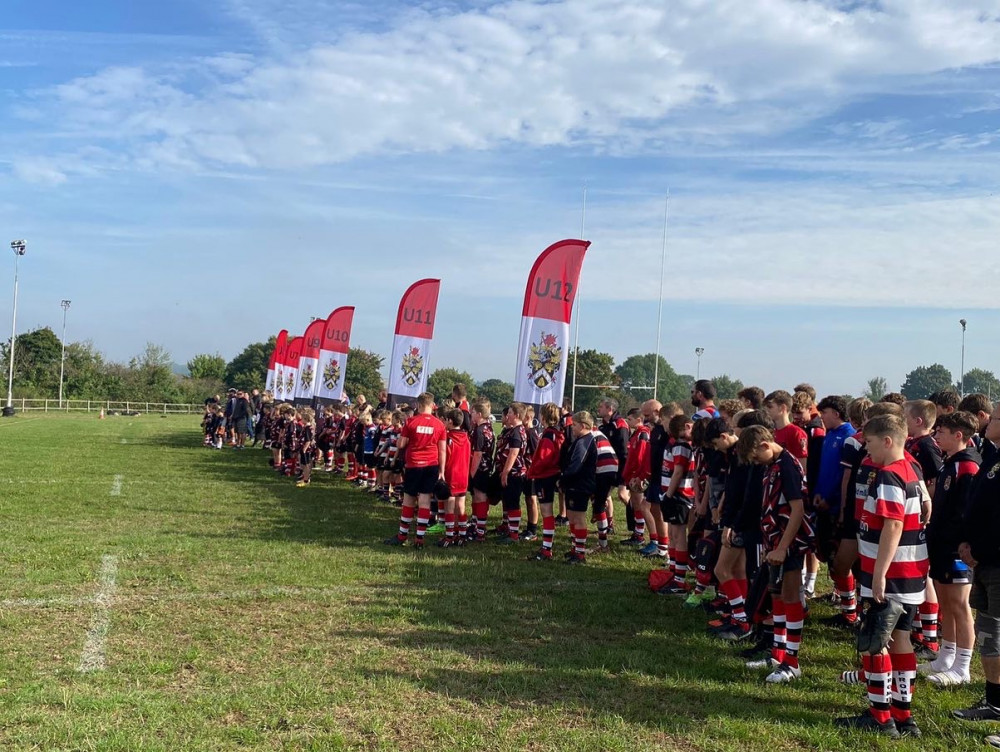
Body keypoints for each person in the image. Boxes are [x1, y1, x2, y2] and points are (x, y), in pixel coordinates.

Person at [835, 414, 927, 738]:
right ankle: (904, 716)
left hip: (890, 573)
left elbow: (893, 524)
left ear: (887, 441)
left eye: (870, 444)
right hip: (912, 571)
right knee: (901, 640)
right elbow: (923, 507)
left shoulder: (888, 475)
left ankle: (880, 716)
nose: (867, 450)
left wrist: (878, 574)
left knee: (874, 644)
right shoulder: (911, 468)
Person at [738, 424, 813, 684]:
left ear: (764, 445)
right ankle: (777, 653)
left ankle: (792, 663)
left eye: (756, 456)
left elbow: (798, 509)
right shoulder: (772, 464)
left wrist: (783, 547)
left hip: (789, 544)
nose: (755, 462)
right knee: (777, 596)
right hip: (773, 542)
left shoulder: (788, 466)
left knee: (791, 597)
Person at [920, 411, 980, 687]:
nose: (936, 435)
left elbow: (967, 511)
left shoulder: (967, 466)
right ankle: (946, 656)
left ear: (959, 436)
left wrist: (963, 542)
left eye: (941, 432)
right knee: (946, 601)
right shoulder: (950, 463)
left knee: (959, 605)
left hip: (955, 549)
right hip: (941, 545)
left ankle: (963, 666)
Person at [954, 404, 1000, 747]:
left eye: (995, 418)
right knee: (990, 633)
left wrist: (980, 550)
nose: (989, 422)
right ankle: (994, 702)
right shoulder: (993, 458)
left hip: (995, 560)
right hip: (983, 561)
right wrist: (968, 543)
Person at [384, 392, 447, 548]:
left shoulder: (411, 422)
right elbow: (443, 450)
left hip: (414, 464)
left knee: (409, 498)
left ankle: (402, 535)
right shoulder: (439, 424)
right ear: (432, 405)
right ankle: (419, 539)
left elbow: (401, 444)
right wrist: (442, 470)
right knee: (425, 499)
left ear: (419, 405)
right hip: (431, 465)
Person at [526, 403, 565, 561]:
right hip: (553, 474)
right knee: (547, 512)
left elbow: (544, 458)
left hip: (545, 476)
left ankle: (547, 548)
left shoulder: (549, 435)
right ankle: (546, 546)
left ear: (544, 416)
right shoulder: (558, 432)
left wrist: (532, 472)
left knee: (547, 512)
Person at [560, 411, 598, 564]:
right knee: (572, 517)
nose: (572, 429)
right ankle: (575, 548)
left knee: (578, 517)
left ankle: (580, 553)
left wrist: (563, 477)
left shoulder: (585, 441)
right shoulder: (581, 440)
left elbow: (576, 464)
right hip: (574, 484)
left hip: (580, 484)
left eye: (574, 425)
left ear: (583, 426)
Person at [494, 403, 528, 543]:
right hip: (511, 472)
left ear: (517, 415)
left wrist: (505, 472)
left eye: (510, 413)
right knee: (508, 500)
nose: (508, 416)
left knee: (513, 502)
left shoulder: (517, 432)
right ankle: (509, 529)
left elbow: (514, 453)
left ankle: (514, 535)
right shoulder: (514, 430)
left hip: (515, 473)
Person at [598, 398, 630, 538]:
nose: (599, 409)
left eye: (601, 407)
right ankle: (609, 525)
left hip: (621, 466)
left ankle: (637, 519)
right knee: (605, 495)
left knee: (623, 495)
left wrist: (623, 468)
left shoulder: (620, 424)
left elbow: (624, 450)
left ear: (610, 409)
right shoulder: (604, 425)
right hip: (608, 467)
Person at [439, 408, 471, 548]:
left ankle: (450, 536)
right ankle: (462, 535)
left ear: (450, 421)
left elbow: (444, 456)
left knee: (449, 507)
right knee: (461, 506)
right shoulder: (466, 437)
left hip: (451, 474)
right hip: (463, 475)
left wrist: (441, 472)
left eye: (445, 420)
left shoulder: (448, 438)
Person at [468, 399, 496, 543]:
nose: (471, 415)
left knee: (480, 497)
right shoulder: (489, 427)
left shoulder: (480, 430)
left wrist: (472, 473)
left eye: (473, 412)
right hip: (487, 466)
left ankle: (480, 530)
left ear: (479, 414)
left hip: (480, 467)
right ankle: (476, 525)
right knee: (480, 496)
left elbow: (478, 453)